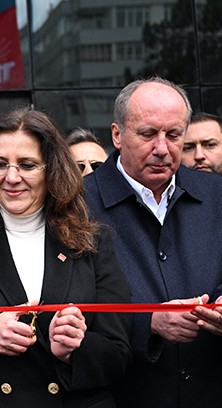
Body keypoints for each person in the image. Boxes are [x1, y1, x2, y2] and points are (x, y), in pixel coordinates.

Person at [0, 108, 132, 407]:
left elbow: (119, 355)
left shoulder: (93, 242)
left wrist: (75, 350)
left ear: (52, 169)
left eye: (26, 164)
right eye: (0, 164)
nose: (11, 177)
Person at [83, 77, 222, 407]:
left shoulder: (216, 194)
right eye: (148, 134)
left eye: (174, 135)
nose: (162, 148)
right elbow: (65, 305)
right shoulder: (77, 204)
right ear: (117, 135)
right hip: (123, 394)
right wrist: (148, 323)